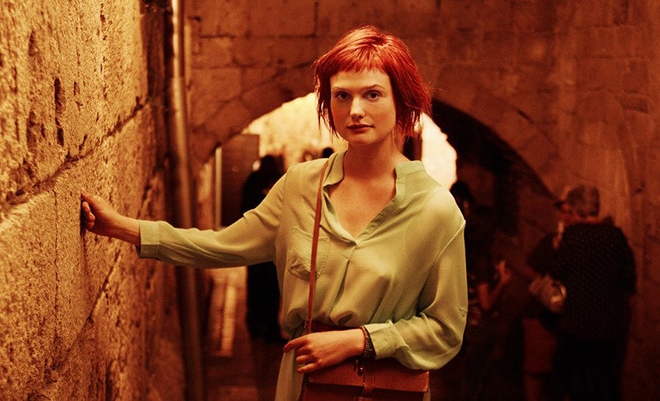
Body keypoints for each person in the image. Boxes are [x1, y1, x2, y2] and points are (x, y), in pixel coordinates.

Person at [81, 25, 468, 401]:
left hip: (384, 388)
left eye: (372, 94)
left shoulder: (434, 210)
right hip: (306, 383)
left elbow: (445, 329)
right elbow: (222, 246)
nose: (355, 110)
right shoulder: (301, 186)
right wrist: (123, 228)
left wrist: (360, 340)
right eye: (341, 96)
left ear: (402, 102)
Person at [550, 185, 636, 401]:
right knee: (601, 382)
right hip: (607, 327)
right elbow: (629, 278)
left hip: (576, 325)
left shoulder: (573, 236)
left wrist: (557, 250)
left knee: (574, 381)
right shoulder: (616, 236)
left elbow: (556, 272)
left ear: (574, 210)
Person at [450, 181, 512, 401]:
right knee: (475, 383)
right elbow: (486, 303)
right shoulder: (482, 261)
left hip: (468, 325)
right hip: (481, 329)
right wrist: (503, 282)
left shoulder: (465, 252)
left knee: (468, 379)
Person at [241, 154, 285, 343]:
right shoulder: (276, 182)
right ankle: (267, 327)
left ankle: (257, 324)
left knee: (257, 286)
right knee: (271, 288)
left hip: (255, 244)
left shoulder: (253, 181)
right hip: (271, 246)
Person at [520, 215, 563, 401]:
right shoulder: (550, 243)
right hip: (540, 317)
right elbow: (529, 269)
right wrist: (546, 287)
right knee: (535, 370)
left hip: (561, 323)